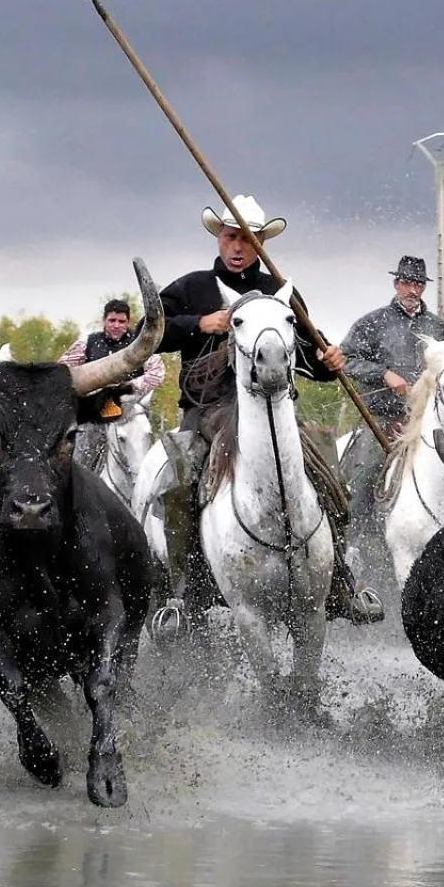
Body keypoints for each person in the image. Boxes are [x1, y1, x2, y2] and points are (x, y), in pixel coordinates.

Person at [144, 194, 383, 626]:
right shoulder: (190, 289)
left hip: (277, 414)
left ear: (261, 245)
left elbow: (310, 354)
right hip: (207, 412)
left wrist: (331, 362)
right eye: (232, 237)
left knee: (327, 469)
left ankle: (340, 581)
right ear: (219, 237)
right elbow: (151, 333)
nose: (239, 247)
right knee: (181, 480)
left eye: (249, 240)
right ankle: (181, 593)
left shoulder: (280, 291)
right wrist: (201, 324)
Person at [339, 255, 444, 533]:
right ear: (396, 283)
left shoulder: (438, 327)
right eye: (407, 283)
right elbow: (345, 358)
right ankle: (355, 541)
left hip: (424, 421)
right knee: (363, 478)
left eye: (418, 284)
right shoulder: (373, 323)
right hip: (381, 419)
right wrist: (383, 374)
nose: (413, 290)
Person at [59, 299, 168, 472]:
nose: (116, 325)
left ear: (128, 322)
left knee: (147, 455)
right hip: (96, 415)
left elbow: (157, 373)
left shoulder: (141, 345)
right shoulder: (88, 343)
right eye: (112, 320)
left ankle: (151, 491)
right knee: (80, 461)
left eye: (121, 321)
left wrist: (127, 388)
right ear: (104, 321)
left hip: (131, 411)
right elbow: (62, 371)